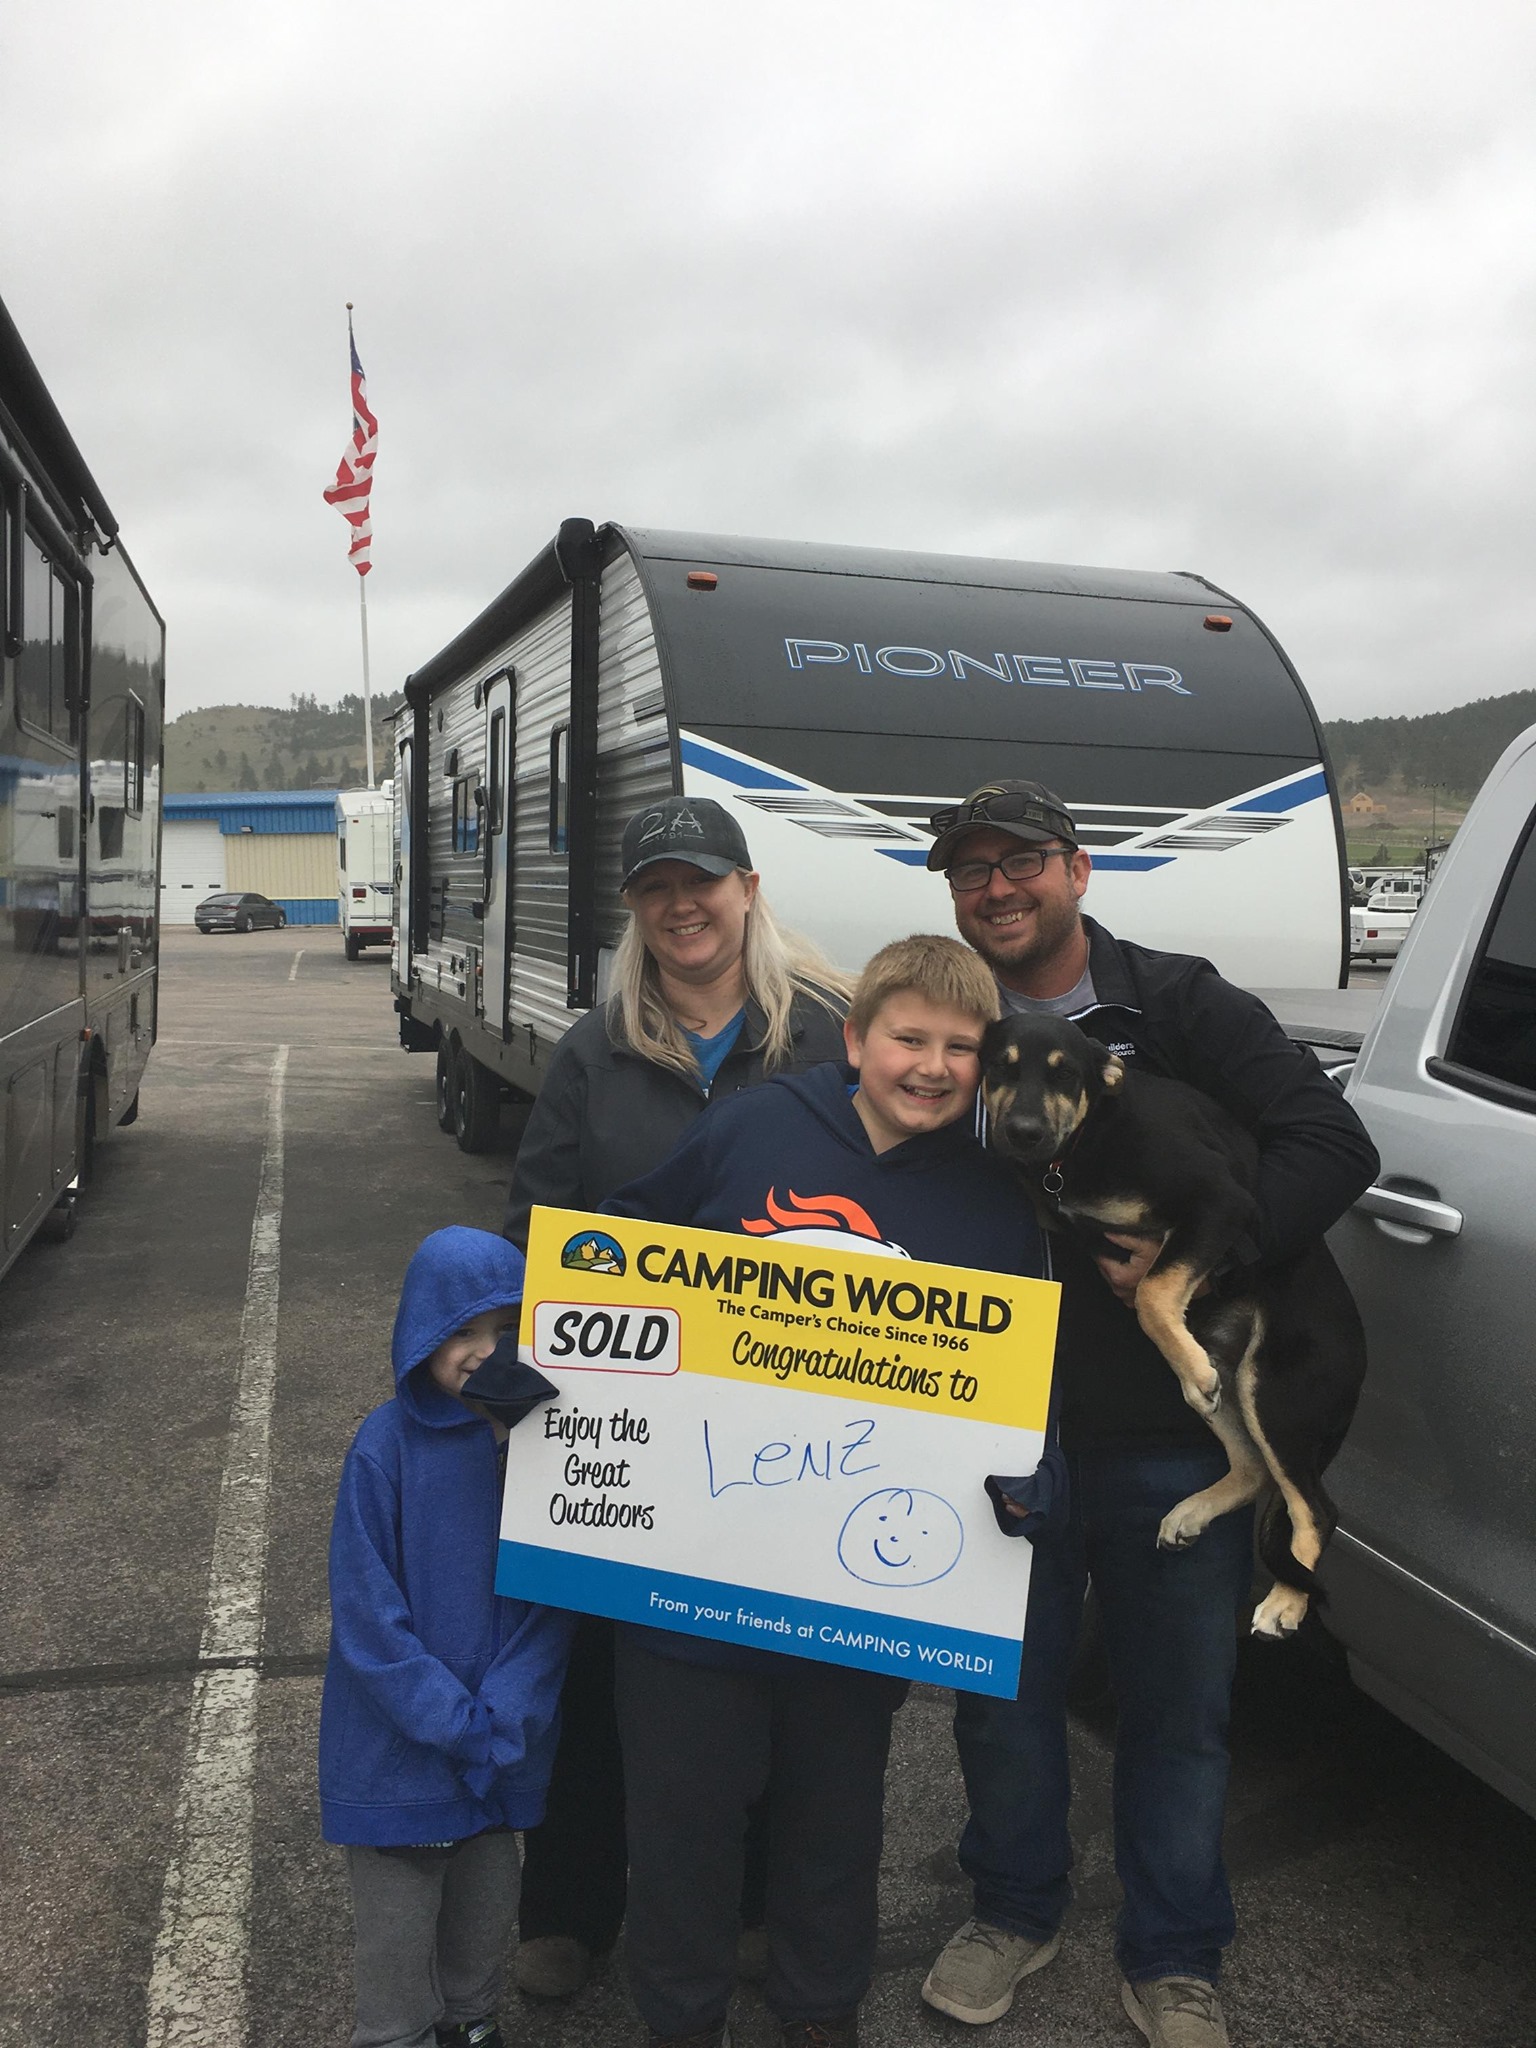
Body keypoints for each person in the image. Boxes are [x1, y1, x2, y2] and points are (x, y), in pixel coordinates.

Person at [919, 781, 1380, 2048]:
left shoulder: (1183, 1004)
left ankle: (1175, 1952)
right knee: (998, 1693)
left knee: (1178, 1707)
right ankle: (1011, 1909)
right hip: (988, 1417)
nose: (996, 889)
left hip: (1165, 1429)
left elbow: (1331, 1144)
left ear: (1077, 869)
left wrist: (1198, 1268)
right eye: (970, 871)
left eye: (1020, 861)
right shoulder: (945, 1015)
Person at [601, 934, 1050, 2048]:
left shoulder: (997, 1203)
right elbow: (616, 1247)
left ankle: (819, 2009)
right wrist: (536, 1344)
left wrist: (1035, 1475)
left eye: (961, 1047)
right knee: (683, 1824)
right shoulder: (753, 1128)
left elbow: (1020, 1391)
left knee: (834, 1819)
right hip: (689, 1576)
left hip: (852, 1595)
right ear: (854, 1039)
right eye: (909, 1038)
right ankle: (680, 2019)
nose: (932, 1066)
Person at [503, 795, 851, 1997]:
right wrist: (520, 1342)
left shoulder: (830, 1036)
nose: (680, 904)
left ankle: (752, 1903)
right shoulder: (593, 1049)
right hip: (630, 1419)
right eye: (656, 886)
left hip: (788, 1425)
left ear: (749, 889)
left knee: (765, 1673)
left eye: (701, 880)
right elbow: (539, 1221)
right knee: (597, 1665)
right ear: (634, 908)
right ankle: (569, 1908)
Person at [319, 1227, 576, 2048]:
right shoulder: (383, 1448)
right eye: (462, 1330)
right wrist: (456, 1721)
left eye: (506, 1328)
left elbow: (555, 1600)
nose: (483, 1351)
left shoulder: (548, 1445)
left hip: (501, 1752)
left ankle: (470, 2022)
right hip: (399, 1756)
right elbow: (367, 1616)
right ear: (421, 1330)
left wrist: (508, 1711)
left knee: (481, 1924)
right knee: (396, 1945)